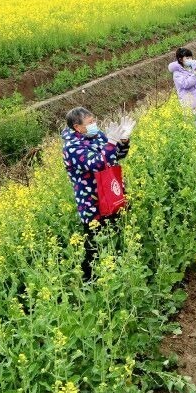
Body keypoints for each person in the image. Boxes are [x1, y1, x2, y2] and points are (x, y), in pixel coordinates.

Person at [61, 107, 130, 281]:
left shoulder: (97, 135)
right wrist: (111, 143)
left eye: (94, 120)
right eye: (90, 123)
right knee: (94, 245)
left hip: (111, 194)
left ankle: (117, 271)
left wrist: (123, 140)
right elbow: (96, 164)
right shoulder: (71, 147)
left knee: (117, 234)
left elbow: (115, 156)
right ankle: (89, 281)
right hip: (92, 202)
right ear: (78, 127)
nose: (94, 124)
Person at [168, 47, 196, 126]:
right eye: (187, 58)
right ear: (180, 60)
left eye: (190, 57)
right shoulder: (177, 74)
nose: (190, 59)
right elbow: (186, 84)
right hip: (191, 105)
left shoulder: (194, 68)